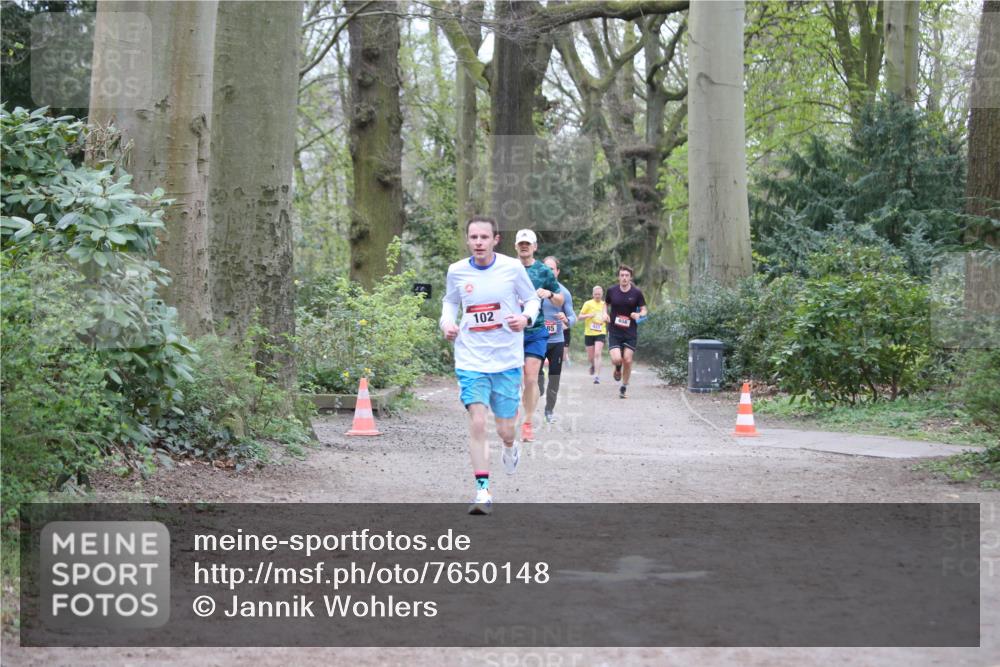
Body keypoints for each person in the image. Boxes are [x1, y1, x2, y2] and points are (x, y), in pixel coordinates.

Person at [441, 217, 540, 515]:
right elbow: (450, 302)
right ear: (468, 240)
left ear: (495, 239)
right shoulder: (457, 270)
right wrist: (447, 323)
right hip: (471, 358)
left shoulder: (512, 268)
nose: (478, 242)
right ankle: (482, 491)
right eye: (473, 237)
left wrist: (525, 318)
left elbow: (532, 299)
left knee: (505, 430)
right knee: (478, 421)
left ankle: (510, 446)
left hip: (506, 359)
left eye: (484, 237)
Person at [514, 229, 563, 442]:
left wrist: (549, 294)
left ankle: (527, 423)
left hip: (536, 331)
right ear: (516, 246)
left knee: (531, 378)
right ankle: (513, 412)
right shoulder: (507, 268)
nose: (524, 246)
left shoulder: (543, 271)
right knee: (513, 379)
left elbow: (560, 299)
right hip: (511, 332)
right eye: (521, 243)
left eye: (528, 243)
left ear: (535, 247)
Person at [537, 256, 576, 423]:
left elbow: (573, 317)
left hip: (556, 342)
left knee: (554, 377)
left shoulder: (564, 292)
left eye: (552, 269)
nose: (549, 271)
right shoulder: (536, 289)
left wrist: (566, 319)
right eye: (546, 268)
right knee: (535, 374)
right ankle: (539, 384)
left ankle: (549, 410)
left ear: (557, 272)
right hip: (538, 340)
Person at [604, 265, 647, 399]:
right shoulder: (612, 291)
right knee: (617, 359)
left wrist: (639, 314)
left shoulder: (636, 293)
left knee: (627, 360)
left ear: (630, 277)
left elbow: (644, 309)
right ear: (619, 277)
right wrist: (605, 314)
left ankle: (624, 386)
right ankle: (618, 368)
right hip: (614, 330)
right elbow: (605, 304)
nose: (624, 278)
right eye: (622, 275)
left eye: (627, 275)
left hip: (630, 331)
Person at [577, 285, 608, 383]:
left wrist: (606, 318)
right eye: (596, 294)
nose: (597, 296)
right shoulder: (588, 304)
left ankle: (597, 376)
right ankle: (593, 365)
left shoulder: (604, 304)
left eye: (599, 294)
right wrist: (589, 315)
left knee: (597, 353)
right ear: (593, 294)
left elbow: (607, 318)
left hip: (600, 332)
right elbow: (579, 317)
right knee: (591, 357)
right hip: (589, 333)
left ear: (602, 294)